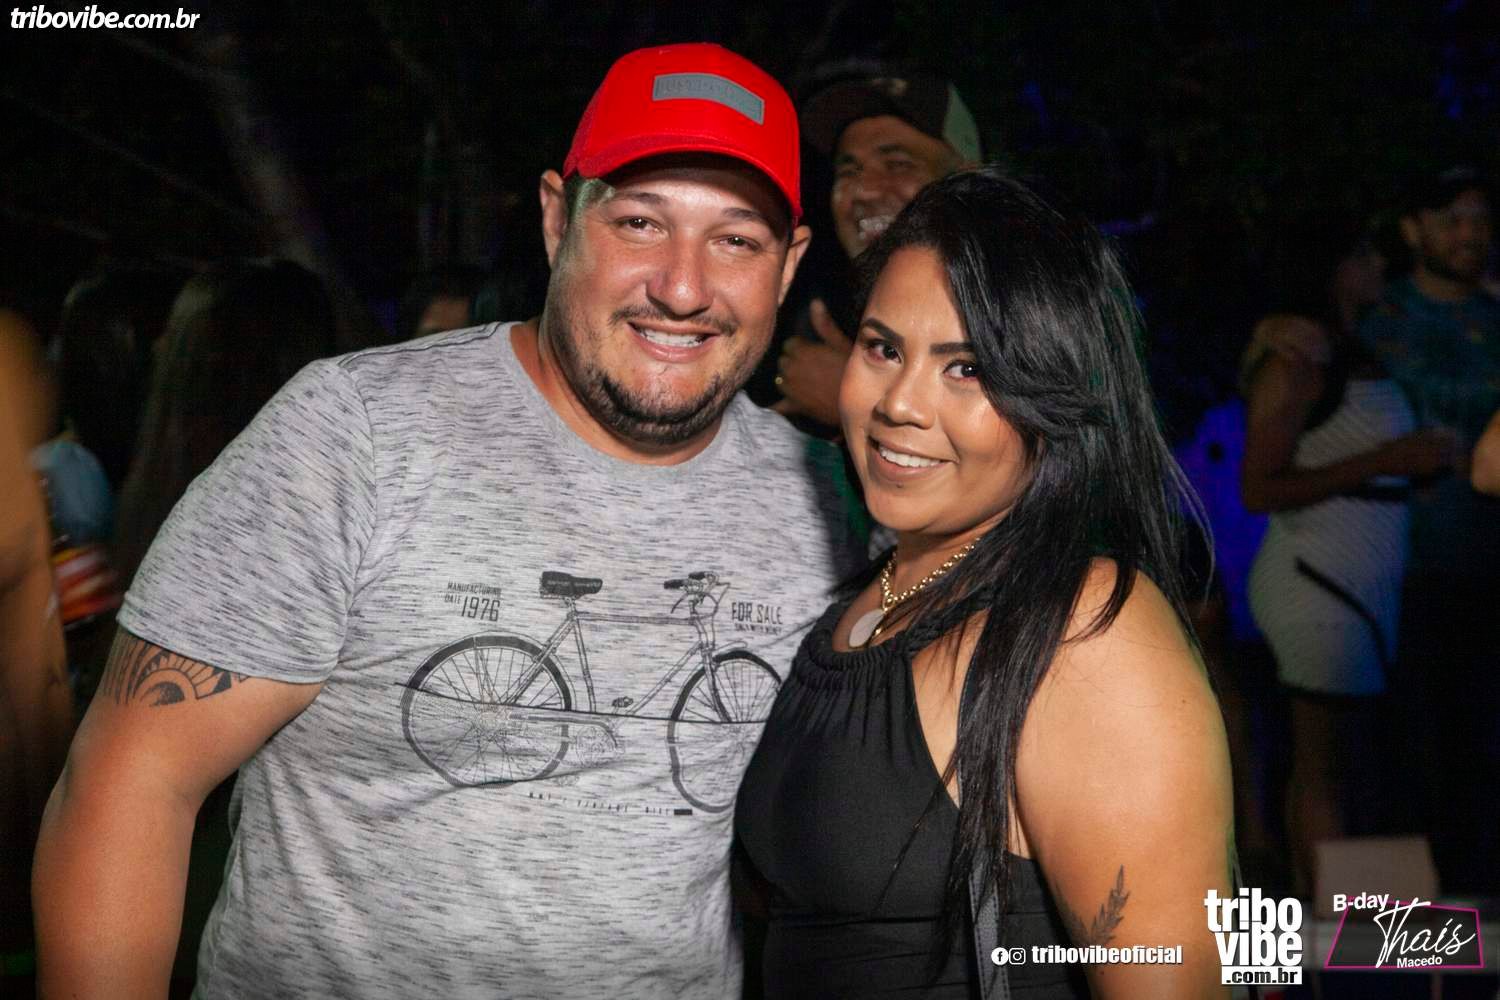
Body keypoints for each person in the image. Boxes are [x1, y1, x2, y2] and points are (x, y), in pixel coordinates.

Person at [35, 43, 861, 998]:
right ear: (557, 219)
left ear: (789, 264)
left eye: (737, 240)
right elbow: (131, 782)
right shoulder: (357, 435)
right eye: (640, 221)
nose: (682, 286)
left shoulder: (826, 498)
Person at [737, 168, 1234, 998]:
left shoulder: (1084, 633)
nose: (900, 404)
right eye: (883, 348)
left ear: (1051, 394)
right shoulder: (867, 601)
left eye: (965, 368)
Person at [1240, 216, 1454, 897]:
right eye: (1362, 254)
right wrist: (1388, 459)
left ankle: (1328, 909)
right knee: (1326, 761)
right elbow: (1258, 488)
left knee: (1337, 759)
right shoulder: (1297, 359)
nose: (1377, 265)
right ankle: (1337, 919)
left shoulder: (1350, 347)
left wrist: (1408, 466)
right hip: (1319, 581)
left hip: (1359, 581)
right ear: (1332, 268)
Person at [1356, 165, 1500, 891]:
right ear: (1413, 230)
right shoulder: (1373, 320)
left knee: (1481, 753)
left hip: (1486, 567)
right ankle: (1408, 926)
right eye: (1452, 219)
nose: (1470, 233)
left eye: (1480, 218)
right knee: (1405, 757)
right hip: (1392, 571)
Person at [771, 69, 981, 433]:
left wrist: (857, 402)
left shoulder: (1028, 306)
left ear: (968, 180)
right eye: (849, 170)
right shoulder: (826, 312)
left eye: (898, 164)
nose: (863, 191)